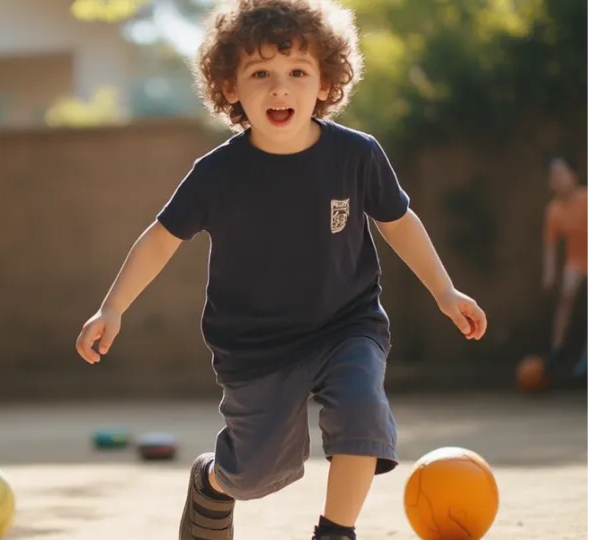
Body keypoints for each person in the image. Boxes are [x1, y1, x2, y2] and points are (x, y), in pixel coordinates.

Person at [74, 1, 487, 539]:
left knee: (362, 412)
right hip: (255, 345)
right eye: (260, 73)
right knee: (255, 473)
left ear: (325, 83)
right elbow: (160, 239)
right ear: (229, 87)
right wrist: (113, 307)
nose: (279, 88)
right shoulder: (217, 174)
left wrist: (444, 290)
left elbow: (399, 222)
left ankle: (336, 532)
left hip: (347, 323)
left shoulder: (357, 156)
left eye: (297, 72)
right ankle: (214, 483)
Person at [541, 157, 590, 376]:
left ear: (574, 176)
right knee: (566, 296)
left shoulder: (588, 198)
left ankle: (588, 357)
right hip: (576, 260)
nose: (557, 180)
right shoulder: (554, 210)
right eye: (553, 176)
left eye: (561, 174)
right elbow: (550, 244)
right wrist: (549, 272)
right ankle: (557, 349)